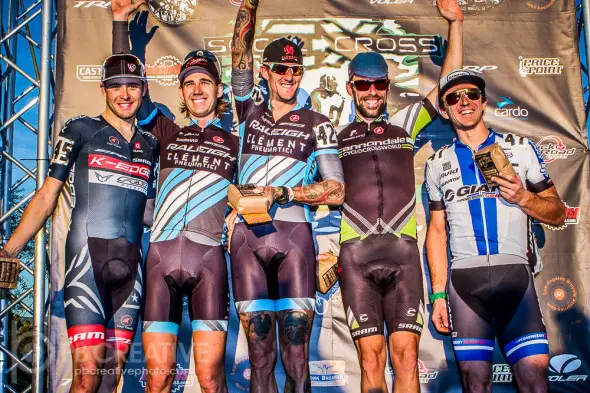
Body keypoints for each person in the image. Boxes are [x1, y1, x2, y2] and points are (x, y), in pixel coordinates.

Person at [1, 52, 158, 393]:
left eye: (132, 86)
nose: (124, 94)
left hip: (130, 271)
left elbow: (150, 212)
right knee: (86, 378)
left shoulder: (151, 144)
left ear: (143, 90)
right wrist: (10, 250)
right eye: (116, 86)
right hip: (86, 265)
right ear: (103, 89)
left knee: (110, 380)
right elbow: (46, 196)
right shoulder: (81, 129)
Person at [334, 1, 464, 392]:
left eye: (379, 85)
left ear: (387, 87)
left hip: (403, 253)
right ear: (350, 87)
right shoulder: (335, 139)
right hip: (355, 255)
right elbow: (312, 190)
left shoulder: (405, 124)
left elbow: (448, 85)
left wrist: (455, 24)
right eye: (363, 84)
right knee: (369, 360)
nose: (372, 93)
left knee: (407, 357)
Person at [111, 1, 239, 392]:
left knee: (210, 379)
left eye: (205, 82)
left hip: (209, 262)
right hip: (161, 258)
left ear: (218, 90)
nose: (197, 89)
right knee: (158, 378)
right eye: (189, 83)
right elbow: (126, 81)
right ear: (182, 91)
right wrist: (120, 24)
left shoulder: (236, 141)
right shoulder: (166, 131)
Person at [227, 0, 345, 391]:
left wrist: (285, 191)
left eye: (296, 70)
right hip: (247, 240)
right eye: (281, 69)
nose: (289, 76)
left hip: (294, 240)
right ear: (266, 72)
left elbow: (337, 189)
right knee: (260, 356)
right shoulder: (246, 110)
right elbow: (239, 52)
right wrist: (248, 5)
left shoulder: (319, 123)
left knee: (296, 357)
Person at [425, 69, 565, 393]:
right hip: (464, 288)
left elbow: (557, 213)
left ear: (483, 102)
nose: (464, 102)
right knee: (475, 385)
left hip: (516, 280)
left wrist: (524, 197)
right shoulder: (436, 163)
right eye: (454, 98)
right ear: (444, 110)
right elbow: (436, 232)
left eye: (472, 94)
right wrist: (436, 295)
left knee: (535, 382)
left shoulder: (520, 149)